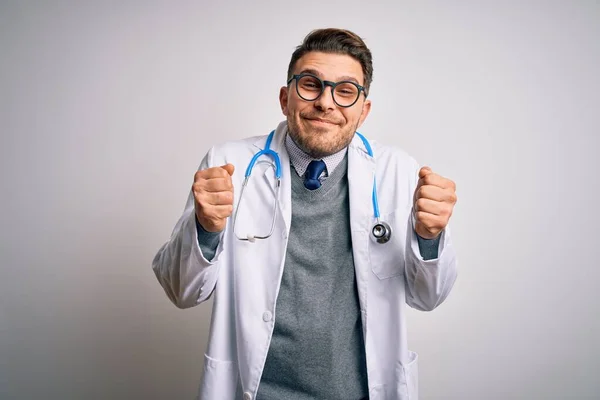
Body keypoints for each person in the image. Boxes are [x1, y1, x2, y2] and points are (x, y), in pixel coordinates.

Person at [152, 28, 458, 400]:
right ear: (285, 99)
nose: (326, 102)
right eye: (311, 84)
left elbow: (429, 296)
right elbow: (180, 289)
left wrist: (430, 238)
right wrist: (205, 228)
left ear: (363, 111)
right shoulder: (228, 165)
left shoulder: (397, 172)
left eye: (345, 91)